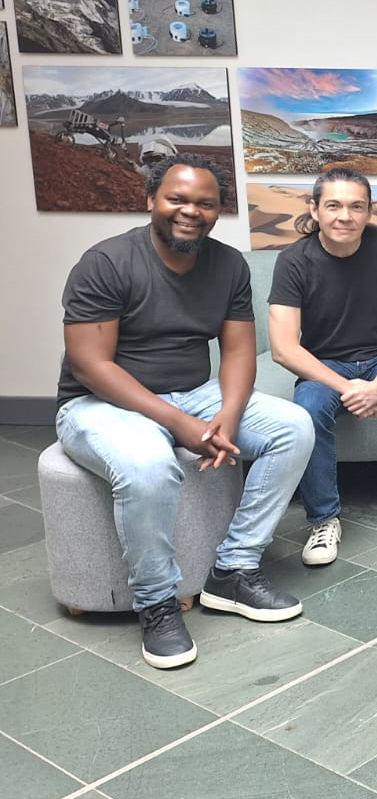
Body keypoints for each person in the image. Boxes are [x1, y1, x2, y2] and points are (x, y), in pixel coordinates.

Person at [55, 154, 312, 670]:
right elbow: (90, 364)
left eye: (204, 203)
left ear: (218, 212)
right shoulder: (106, 262)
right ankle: (157, 602)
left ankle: (232, 573)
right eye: (177, 199)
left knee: (293, 427)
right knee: (149, 465)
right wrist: (178, 423)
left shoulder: (227, 265)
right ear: (151, 200)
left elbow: (239, 349)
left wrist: (229, 413)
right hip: (100, 402)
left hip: (193, 391)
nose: (189, 211)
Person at [268, 168, 377, 566]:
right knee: (308, 412)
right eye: (333, 205)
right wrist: (349, 388)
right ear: (314, 209)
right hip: (324, 361)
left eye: (355, 206)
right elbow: (283, 348)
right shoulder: (293, 261)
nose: (344, 216)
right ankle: (323, 520)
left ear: (369, 212)